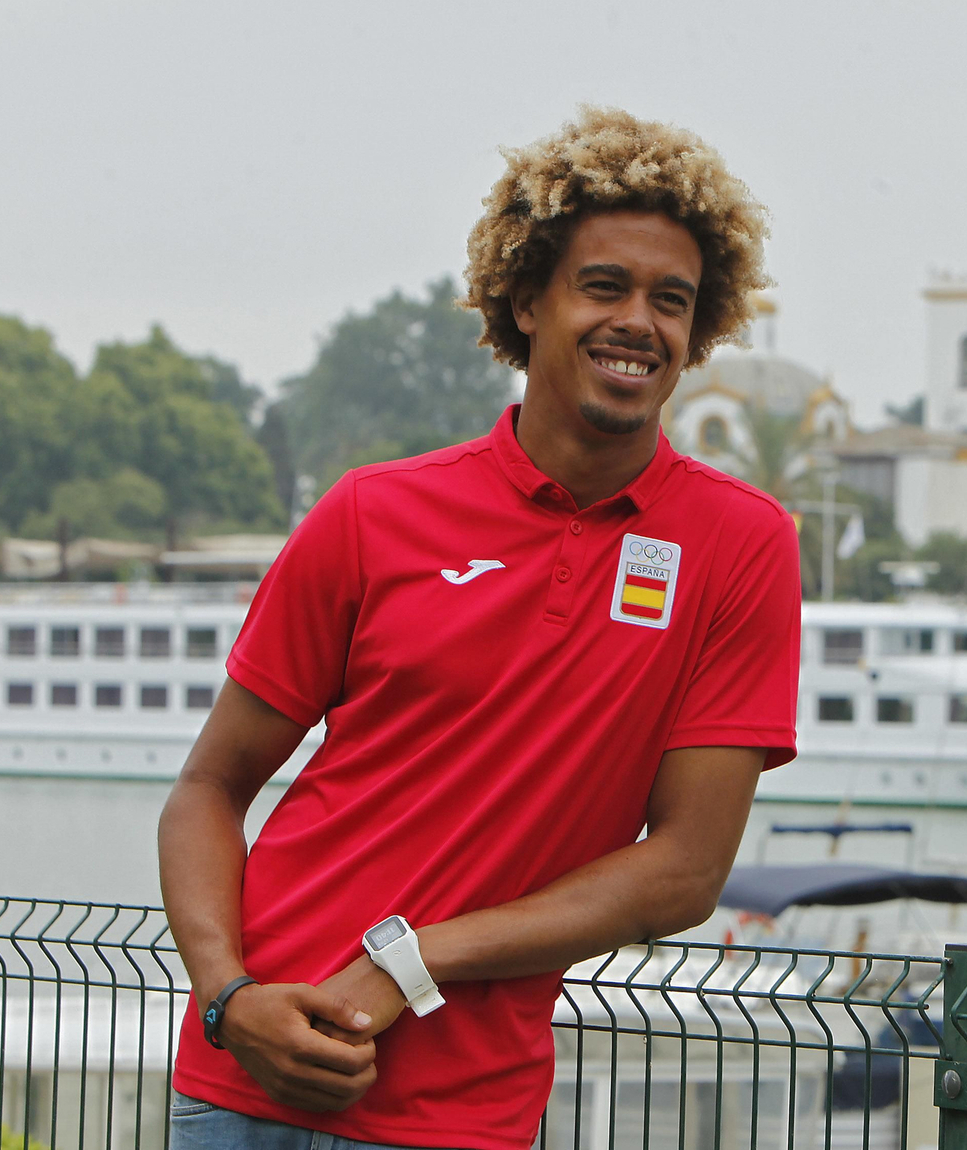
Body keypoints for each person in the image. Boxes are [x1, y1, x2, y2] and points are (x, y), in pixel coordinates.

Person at [159, 106, 801, 1150]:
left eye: (671, 300)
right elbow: (208, 787)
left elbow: (683, 870)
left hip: (461, 1118)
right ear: (524, 298)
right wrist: (231, 999)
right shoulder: (372, 512)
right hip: (243, 1087)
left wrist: (412, 960)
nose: (638, 321)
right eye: (604, 285)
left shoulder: (741, 546)